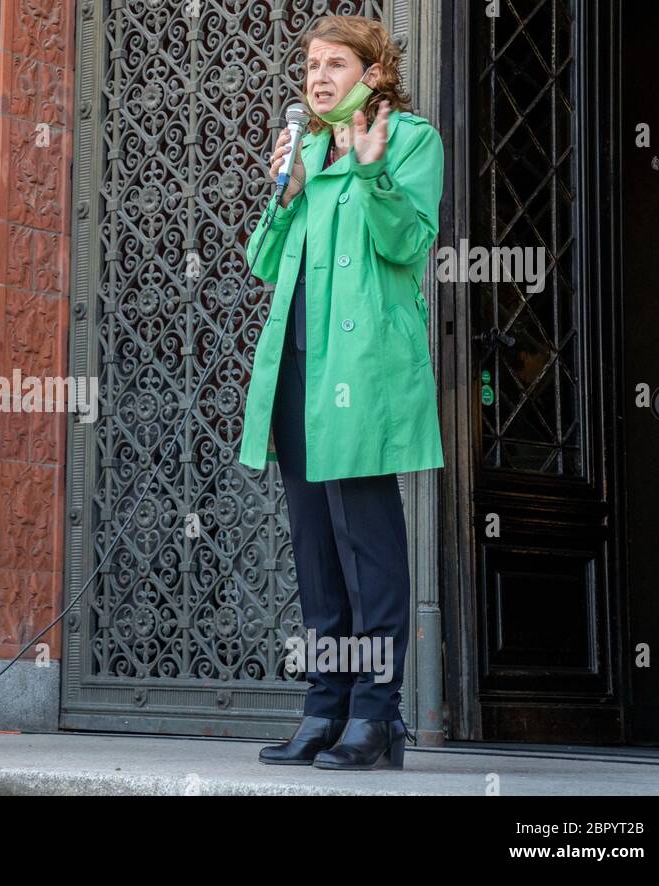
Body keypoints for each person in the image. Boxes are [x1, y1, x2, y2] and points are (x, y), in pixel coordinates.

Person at [238, 16, 444, 770]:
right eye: (311, 66)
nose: (319, 77)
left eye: (336, 64)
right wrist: (285, 191)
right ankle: (325, 706)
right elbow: (265, 261)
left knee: (368, 549)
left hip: (360, 375)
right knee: (317, 553)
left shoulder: (410, 139)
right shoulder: (310, 150)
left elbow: (407, 243)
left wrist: (371, 170)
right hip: (298, 368)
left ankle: (376, 714)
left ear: (375, 73)